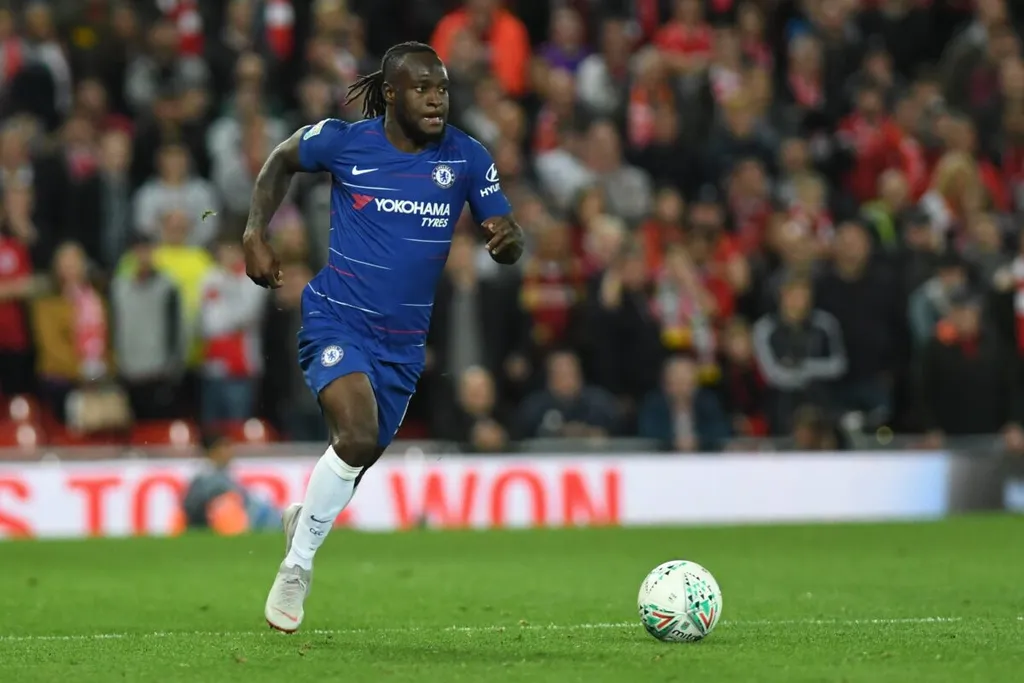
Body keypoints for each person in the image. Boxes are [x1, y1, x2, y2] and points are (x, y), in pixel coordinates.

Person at [241, 42, 525, 633]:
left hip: (402, 347)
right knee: (356, 434)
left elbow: (504, 229)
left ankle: (305, 520)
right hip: (337, 319)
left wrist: (509, 241)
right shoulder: (345, 142)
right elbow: (281, 159)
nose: (436, 100)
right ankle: (296, 568)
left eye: (442, 89)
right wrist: (253, 234)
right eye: (422, 89)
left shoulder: (467, 157)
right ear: (392, 94)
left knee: (357, 454)